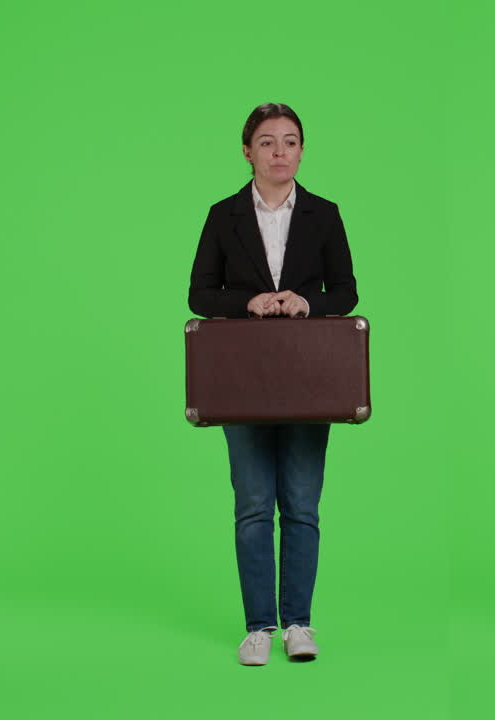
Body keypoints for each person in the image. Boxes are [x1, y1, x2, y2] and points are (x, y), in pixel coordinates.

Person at [188, 103, 358, 666]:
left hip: (309, 375)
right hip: (244, 378)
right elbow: (200, 295)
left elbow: (347, 292)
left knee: (303, 505)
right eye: (266, 142)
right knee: (254, 504)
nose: (279, 152)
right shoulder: (222, 214)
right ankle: (259, 625)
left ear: (302, 151)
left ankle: (300, 624)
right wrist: (249, 301)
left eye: (289, 142)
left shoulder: (325, 214)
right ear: (247, 152)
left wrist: (306, 301)